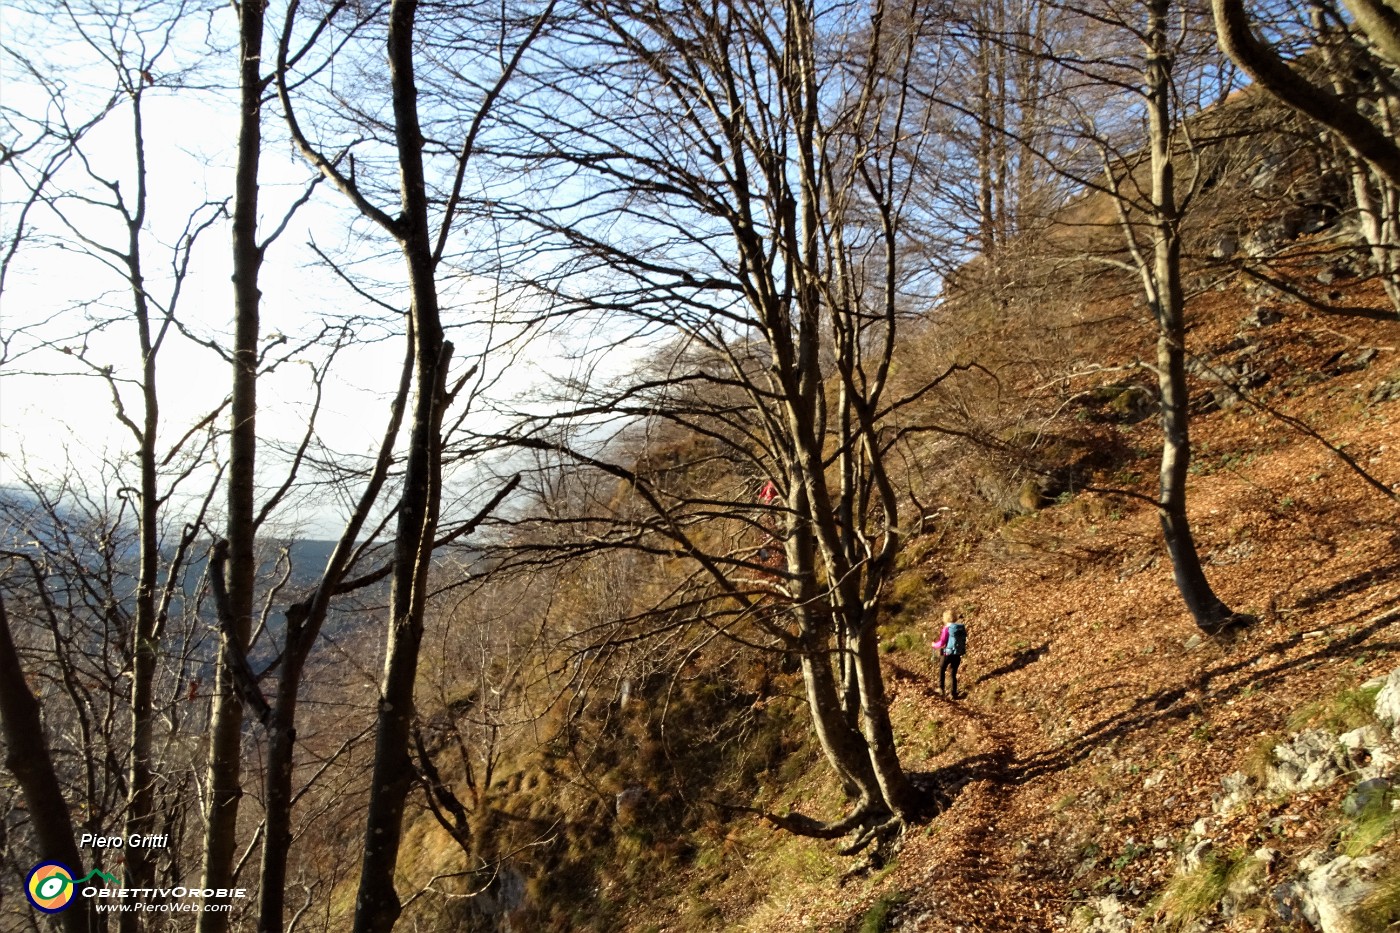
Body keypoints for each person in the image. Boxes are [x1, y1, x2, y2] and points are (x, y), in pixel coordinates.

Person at [933, 608, 967, 700]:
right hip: (957, 654)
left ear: (946, 618)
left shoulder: (947, 629)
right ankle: (953, 693)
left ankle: (941, 688)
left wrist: (934, 645)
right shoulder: (960, 628)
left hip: (947, 653)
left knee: (942, 669)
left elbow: (942, 642)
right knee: (953, 673)